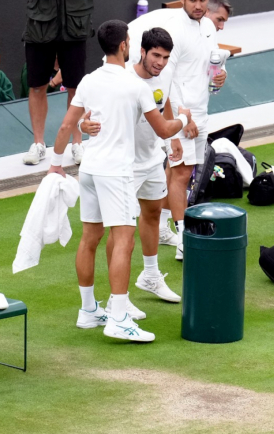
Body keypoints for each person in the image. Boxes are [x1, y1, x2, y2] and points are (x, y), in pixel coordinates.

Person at [49, 20, 190, 342]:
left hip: (90, 170)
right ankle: (119, 318)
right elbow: (164, 130)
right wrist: (184, 118)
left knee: (89, 238)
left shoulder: (88, 80)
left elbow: (66, 126)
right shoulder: (135, 86)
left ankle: (88, 311)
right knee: (124, 241)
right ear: (125, 45)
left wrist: (55, 165)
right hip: (117, 173)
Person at [83, 28, 183, 312]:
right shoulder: (121, 78)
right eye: (156, 56)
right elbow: (89, 113)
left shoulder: (165, 74)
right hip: (123, 167)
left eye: (165, 57)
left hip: (152, 159)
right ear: (141, 51)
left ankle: (150, 275)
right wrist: (83, 126)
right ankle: (119, 299)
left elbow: (165, 104)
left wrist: (173, 139)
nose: (160, 63)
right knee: (118, 235)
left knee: (152, 213)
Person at [20, 0, 98, 166]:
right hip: (41, 27)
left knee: (76, 88)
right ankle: (38, 143)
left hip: (74, 27)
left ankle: (77, 143)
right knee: (37, 86)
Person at [161, 0, 227, 260]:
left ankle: (162, 226)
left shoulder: (209, 27)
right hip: (181, 114)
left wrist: (221, 75)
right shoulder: (174, 31)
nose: (198, 6)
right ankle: (182, 238)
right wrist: (181, 118)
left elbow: (211, 64)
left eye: (202, 0)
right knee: (182, 173)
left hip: (201, 109)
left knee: (175, 170)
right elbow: (165, 78)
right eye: (192, 1)